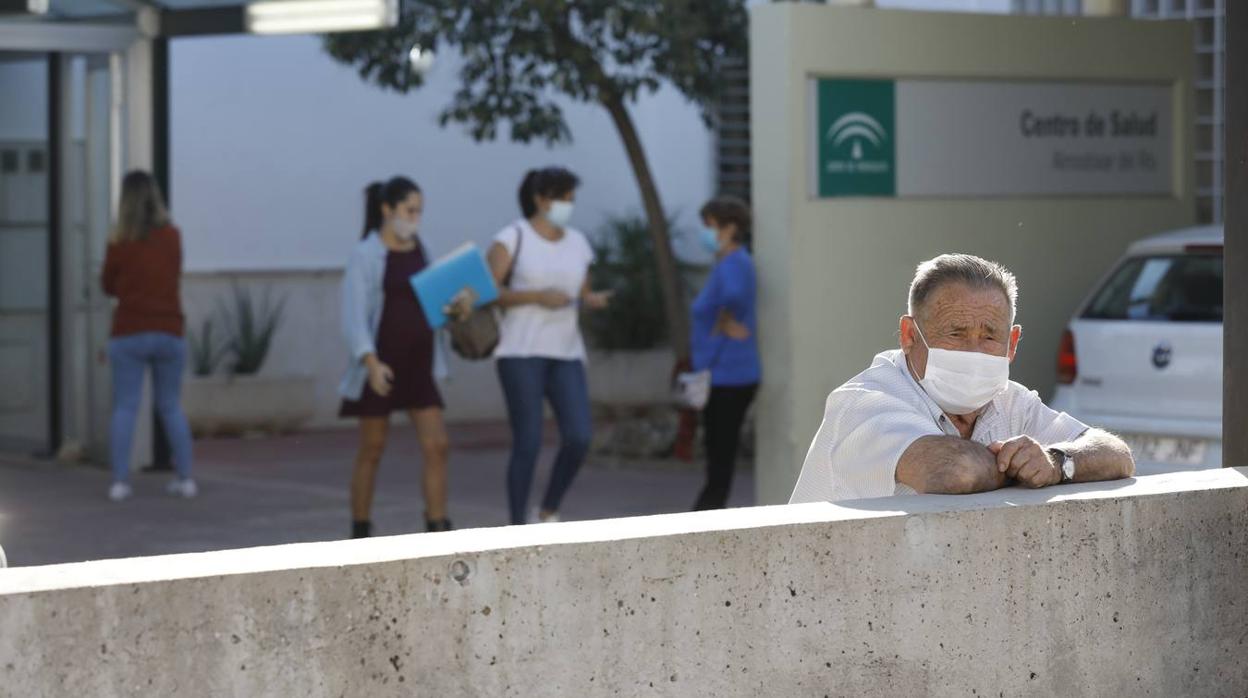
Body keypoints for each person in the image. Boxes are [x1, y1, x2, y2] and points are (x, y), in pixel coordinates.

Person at [789, 253, 1135, 503]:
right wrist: (1025, 469)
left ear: (1012, 343)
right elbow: (951, 472)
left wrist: (1057, 462)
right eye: (955, 334)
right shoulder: (864, 402)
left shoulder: (1010, 401)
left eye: (989, 336)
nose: (973, 352)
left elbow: (1116, 454)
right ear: (909, 335)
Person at [486, 167, 611, 525]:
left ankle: (549, 508)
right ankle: (516, 525)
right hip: (520, 352)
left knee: (579, 436)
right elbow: (487, 291)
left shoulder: (578, 243)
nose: (567, 206)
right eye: (561, 198)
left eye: (571, 199)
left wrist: (592, 300)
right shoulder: (512, 237)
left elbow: (582, 292)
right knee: (528, 441)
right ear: (540, 199)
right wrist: (537, 296)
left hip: (566, 351)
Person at [339, 176, 453, 537]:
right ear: (387, 210)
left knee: (437, 445)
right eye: (409, 210)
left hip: (420, 362)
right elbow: (354, 315)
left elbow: (436, 302)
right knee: (372, 447)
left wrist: (456, 308)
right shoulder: (366, 254)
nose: (415, 218)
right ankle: (360, 528)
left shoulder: (423, 248)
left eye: (419, 211)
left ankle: (437, 524)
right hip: (382, 364)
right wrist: (369, 361)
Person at [101, 170, 196, 502]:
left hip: (128, 330)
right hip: (168, 329)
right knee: (170, 406)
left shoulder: (119, 241)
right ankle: (185, 479)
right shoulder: (172, 236)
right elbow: (174, 274)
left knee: (126, 407)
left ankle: (120, 482)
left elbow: (107, 285)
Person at [690, 196, 761, 510]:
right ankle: (708, 515)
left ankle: (704, 519)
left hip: (729, 375)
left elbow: (733, 297)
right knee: (718, 453)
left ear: (730, 228)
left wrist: (724, 322)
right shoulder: (732, 262)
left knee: (719, 456)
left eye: (710, 226)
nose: (705, 233)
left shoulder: (734, 263)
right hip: (725, 373)